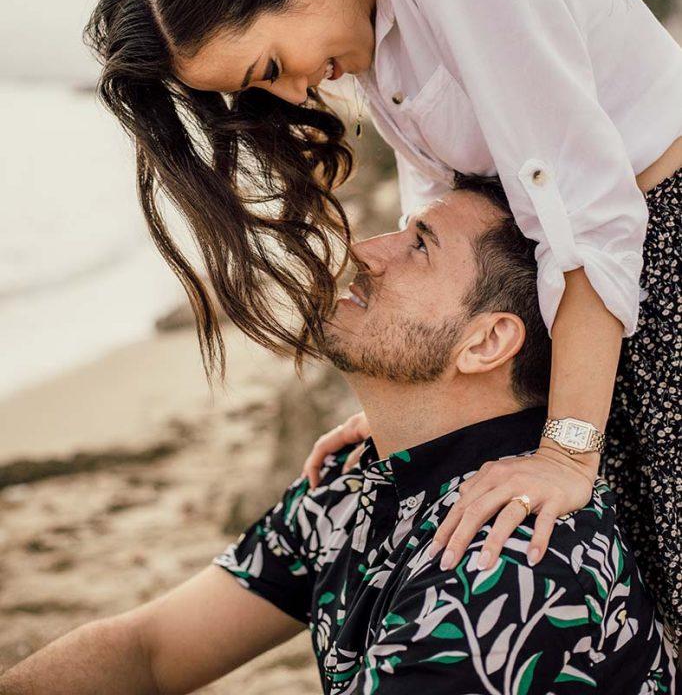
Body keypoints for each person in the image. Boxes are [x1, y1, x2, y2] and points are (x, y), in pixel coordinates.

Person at [82, 0, 682, 647]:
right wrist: (416, 403)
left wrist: (568, 452)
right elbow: (447, 206)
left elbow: (589, 208)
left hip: (659, 254)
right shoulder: (368, 20)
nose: (291, 94)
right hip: (595, 284)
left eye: (269, 66)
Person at [1, 177, 676, 693]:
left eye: (419, 247)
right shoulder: (360, 474)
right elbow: (149, 650)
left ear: (487, 341)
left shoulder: (508, 550)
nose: (365, 250)